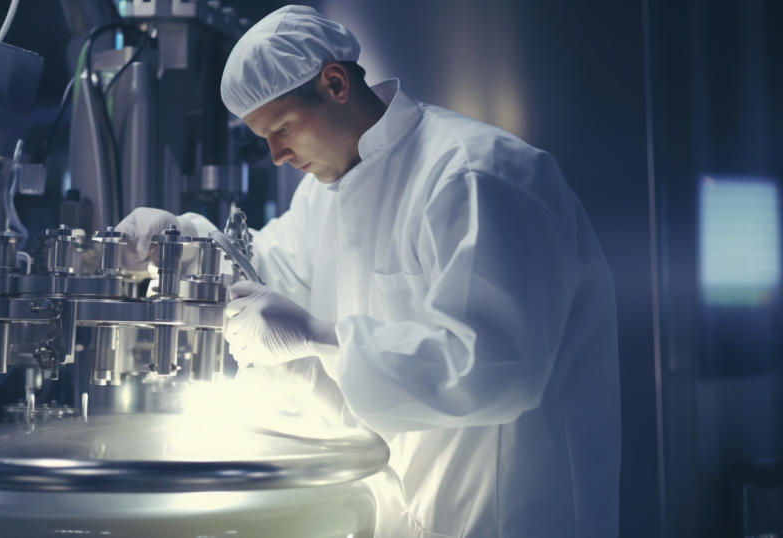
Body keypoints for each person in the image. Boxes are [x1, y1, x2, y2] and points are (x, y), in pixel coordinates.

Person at [116, 5, 620, 537]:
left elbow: (495, 367)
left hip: (503, 516)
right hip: (398, 510)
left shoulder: (474, 175)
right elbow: (267, 275)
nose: (277, 156)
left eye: (282, 128)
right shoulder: (327, 193)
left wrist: (323, 339)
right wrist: (185, 243)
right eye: (263, 137)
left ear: (335, 84)